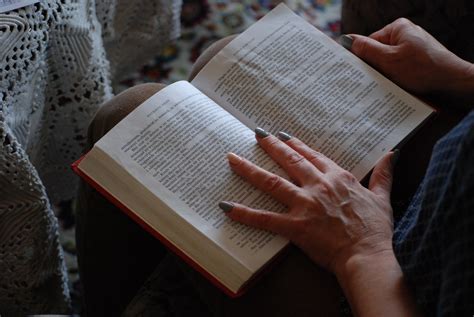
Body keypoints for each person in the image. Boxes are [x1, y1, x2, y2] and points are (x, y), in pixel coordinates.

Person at [76, 18, 474, 316]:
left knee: (130, 115)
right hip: (449, 197)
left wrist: (362, 251)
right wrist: (459, 75)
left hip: (400, 296)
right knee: (227, 56)